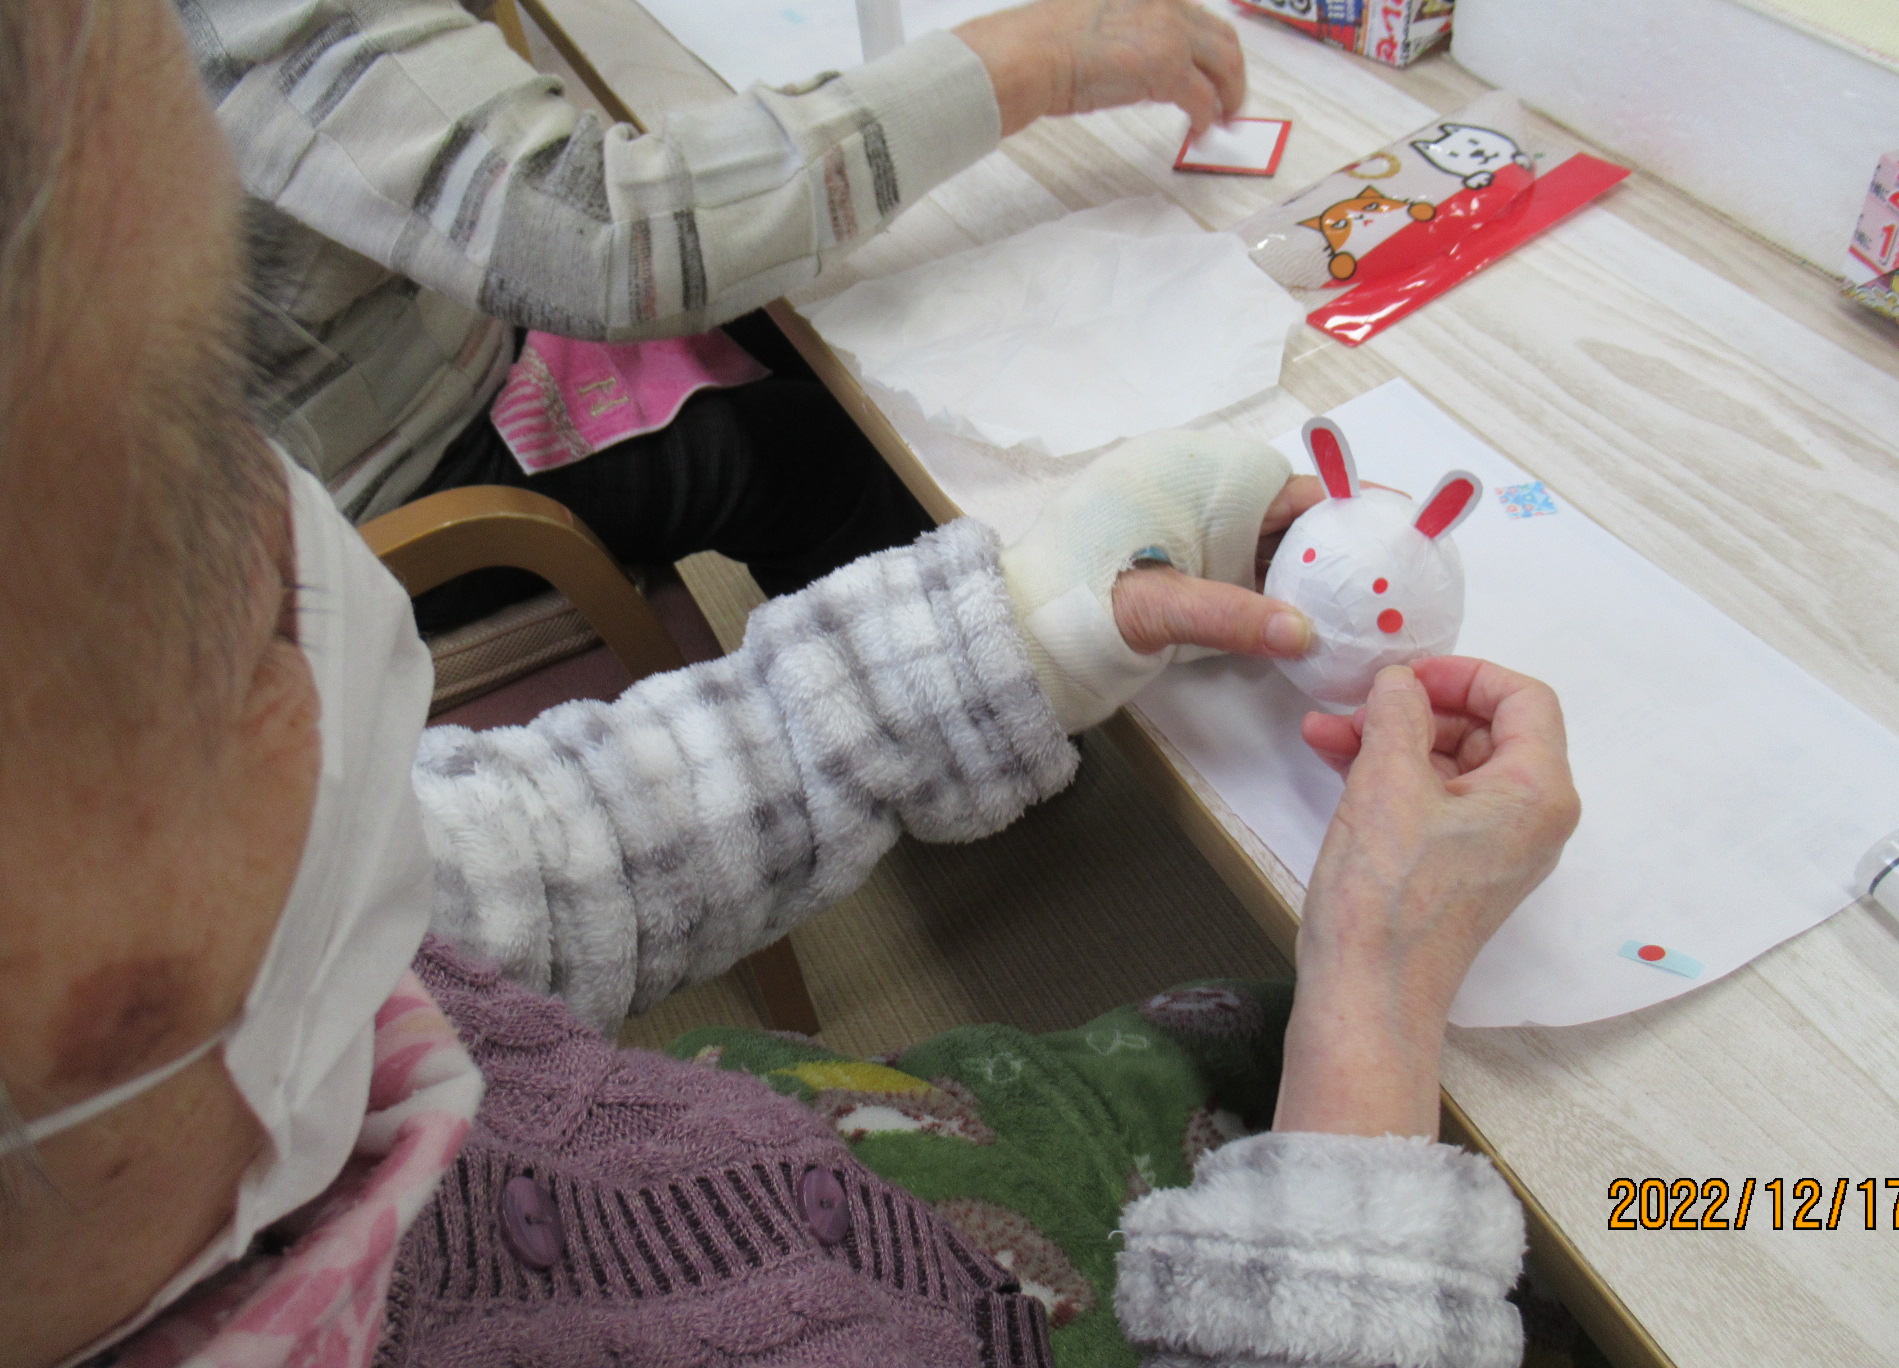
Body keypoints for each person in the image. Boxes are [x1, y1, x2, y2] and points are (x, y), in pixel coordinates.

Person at [0, 3, 1581, 1366]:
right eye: (231, 610)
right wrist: (1374, 1006)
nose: (303, 542)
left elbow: (526, 858)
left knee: (1250, 1026)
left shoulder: (236, 975)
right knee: (1602, 1223)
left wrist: (1031, 623)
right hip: (990, 1265)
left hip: (800, 1145)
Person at [177, 0, 1256, 630]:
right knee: (825, 449)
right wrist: (1036, 62)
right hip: (366, 492)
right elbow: (607, 239)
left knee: (820, 311)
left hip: (411, 340)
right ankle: (949, 745)